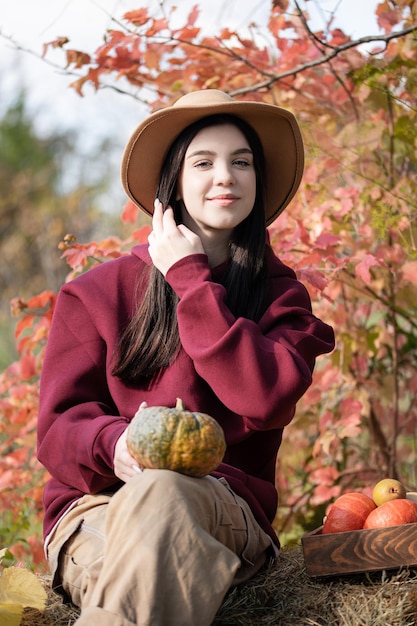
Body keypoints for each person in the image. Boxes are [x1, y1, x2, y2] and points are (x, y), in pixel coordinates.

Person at [37, 89, 335, 626]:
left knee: (168, 490)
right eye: (204, 162)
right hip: (98, 510)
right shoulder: (96, 292)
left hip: (222, 510)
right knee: (148, 540)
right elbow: (57, 431)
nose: (226, 176)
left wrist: (190, 281)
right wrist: (113, 444)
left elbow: (262, 398)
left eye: (241, 162)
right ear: (172, 180)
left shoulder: (282, 299)